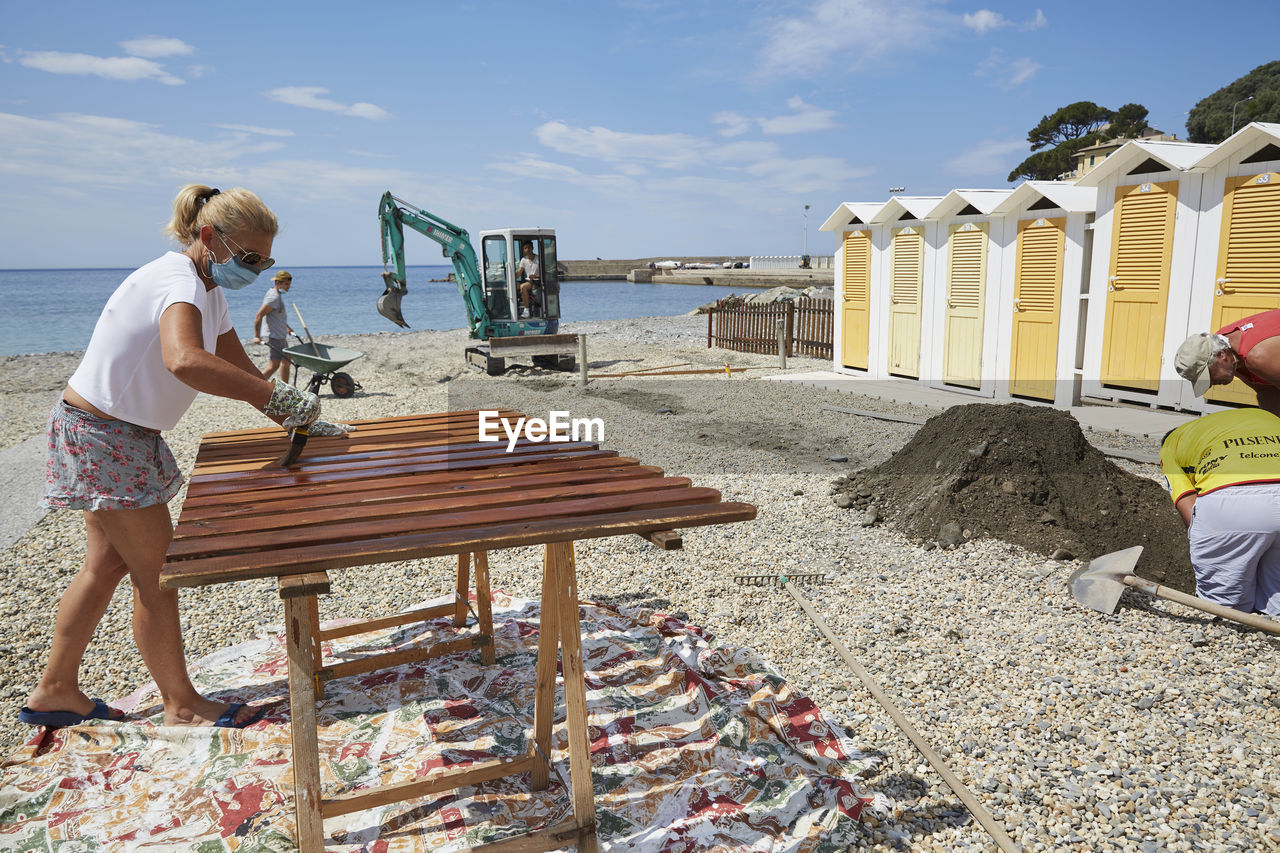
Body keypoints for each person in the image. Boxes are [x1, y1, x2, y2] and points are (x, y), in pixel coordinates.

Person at [20, 184, 346, 731]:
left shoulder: (206, 288)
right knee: (158, 574)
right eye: (248, 258)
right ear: (208, 236)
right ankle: (182, 705)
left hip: (106, 429)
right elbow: (184, 360)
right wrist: (275, 396)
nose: (256, 269)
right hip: (105, 435)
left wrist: (297, 416)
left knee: (106, 565)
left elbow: (240, 367)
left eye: (265, 261)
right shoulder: (178, 282)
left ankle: (55, 689)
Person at [1159, 407, 1280, 617]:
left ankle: (1228, 635)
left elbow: (1184, 499)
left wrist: (1209, 541)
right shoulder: (1266, 417)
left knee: (1224, 609)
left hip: (1233, 504)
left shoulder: (1172, 443)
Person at [1175, 309, 1280, 414]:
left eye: (1209, 375)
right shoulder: (1226, 346)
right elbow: (1266, 391)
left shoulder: (1258, 357)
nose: (1210, 384)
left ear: (1221, 355)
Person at [253, 269, 294, 382]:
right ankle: (255, 385)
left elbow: (277, 316)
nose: (288, 287)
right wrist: (257, 336)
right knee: (273, 365)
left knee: (286, 361)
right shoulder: (273, 297)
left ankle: (286, 388)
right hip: (274, 336)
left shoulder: (277, 294)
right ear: (277, 283)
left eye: (289, 284)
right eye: (286, 284)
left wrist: (287, 327)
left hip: (280, 335)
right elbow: (259, 315)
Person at [516, 240, 540, 318]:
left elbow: (545, 273)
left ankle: (527, 310)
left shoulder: (538, 258)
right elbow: (519, 272)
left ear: (532, 248)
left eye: (529, 247)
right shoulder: (524, 260)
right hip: (527, 281)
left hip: (536, 281)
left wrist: (536, 276)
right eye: (525, 248)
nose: (527, 249)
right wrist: (510, 279)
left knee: (523, 287)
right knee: (513, 286)